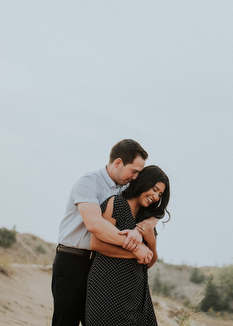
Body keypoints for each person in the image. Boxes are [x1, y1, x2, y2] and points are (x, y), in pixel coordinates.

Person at [52, 139, 157, 326]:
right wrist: (136, 247)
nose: (135, 177)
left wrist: (141, 230)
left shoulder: (127, 188)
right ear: (118, 163)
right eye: (134, 171)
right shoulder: (89, 182)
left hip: (103, 265)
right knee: (65, 321)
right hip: (73, 261)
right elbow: (95, 225)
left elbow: (155, 210)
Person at [85, 165, 170, 326]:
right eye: (154, 189)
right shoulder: (117, 203)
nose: (156, 196)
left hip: (136, 294)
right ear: (143, 182)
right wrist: (136, 252)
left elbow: (149, 261)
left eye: (160, 194)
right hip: (107, 288)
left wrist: (150, 241)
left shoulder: (147, 219)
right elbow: (96, 244)